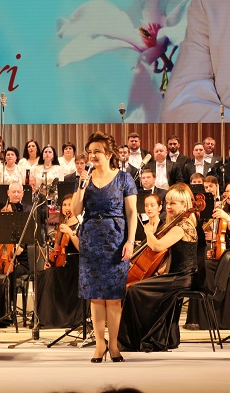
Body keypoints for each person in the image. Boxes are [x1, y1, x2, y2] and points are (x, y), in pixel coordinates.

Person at [71, 131, 137, 362]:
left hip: (116, 239)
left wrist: (130, 241)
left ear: (109, 154)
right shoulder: (84, 179)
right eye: (89, 152)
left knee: (114, 296)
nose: (92, 156)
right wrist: (81, 187)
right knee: (96, 296)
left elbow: (132, 212)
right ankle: (100, 344)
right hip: (91, 239)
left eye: (97, 151)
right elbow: (75, 211)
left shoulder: (124, 179)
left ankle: (114, 344)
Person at [119, 183, 198, 352]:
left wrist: (148, 231)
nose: (168, 206)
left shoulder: (183, 227)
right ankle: (152, 335)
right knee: (137, 288)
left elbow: (157, 246)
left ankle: (134, 339)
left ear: (184, 205)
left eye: (173, 203)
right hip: (177, 275)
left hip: (182, 277)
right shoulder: (177, 224)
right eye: (167, 202)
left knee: (134, 290)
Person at [186, 180, 230, 330]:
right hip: (225, 255)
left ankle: (214, 320)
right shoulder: (226, 211)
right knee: (201, 263)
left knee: (208, 265)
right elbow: (223, 238)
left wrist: (227, 218)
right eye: (228, 191)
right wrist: (213, 244)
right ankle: (198, 318)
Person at [36, 194, 84, 328]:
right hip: (62, 262)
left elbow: (81, 248)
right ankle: (48, 318)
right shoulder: (62, 224)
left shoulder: (81, 223)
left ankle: (64, 318)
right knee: (44, 274)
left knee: (51, 276)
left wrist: (70, 232)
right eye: (64, 205)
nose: (67, 208)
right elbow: (58, 248)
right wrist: (50, 262)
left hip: (75, 263)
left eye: (70, 205)